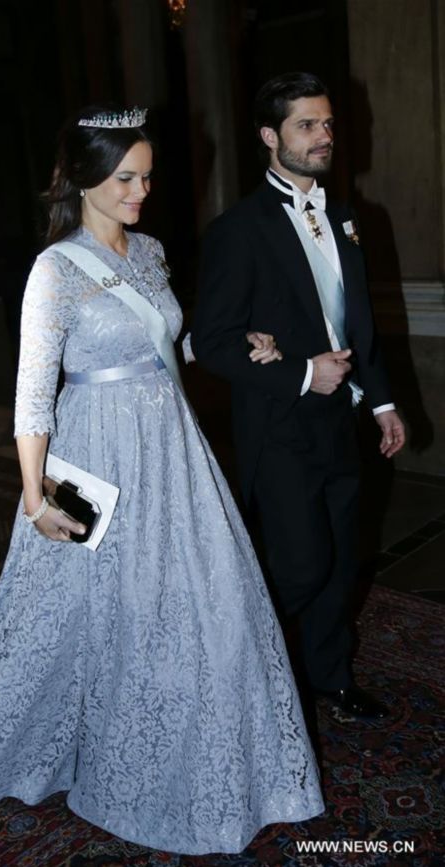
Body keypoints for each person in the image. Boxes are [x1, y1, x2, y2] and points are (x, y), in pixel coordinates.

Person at [0, 104, 324, 855]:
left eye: (146, 176)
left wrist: (234, 341)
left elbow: (164, 342)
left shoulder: (151, 250)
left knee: (201, 598)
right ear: (83, 178)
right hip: (96, 452)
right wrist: (36, 498)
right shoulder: (55, 270)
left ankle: (196, 749)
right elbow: (33, 394)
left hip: (171, 449)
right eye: (125, 178)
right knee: (93, 604)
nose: (141, 191)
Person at [191, 72, 405, 721]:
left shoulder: (347, 217)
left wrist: (382, 401)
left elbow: (356, 321)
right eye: (307, 125)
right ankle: (239, 681)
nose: (324, 137)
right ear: (269, 136)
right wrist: (300, 374)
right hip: (280, 428)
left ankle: (330, 679)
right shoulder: (240, 229)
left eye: (329, 123)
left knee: (339, 563)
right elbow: (213, 340)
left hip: (341, 423)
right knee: (299, 568)